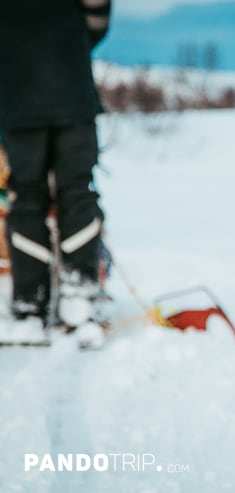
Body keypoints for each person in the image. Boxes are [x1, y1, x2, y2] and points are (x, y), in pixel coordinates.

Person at [0, 0, 111, 348]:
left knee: (27, 197)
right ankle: (79, 299)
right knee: (77, 192)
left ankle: (30, 306)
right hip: (71, 95)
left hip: (18, 101)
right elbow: (97, 19)